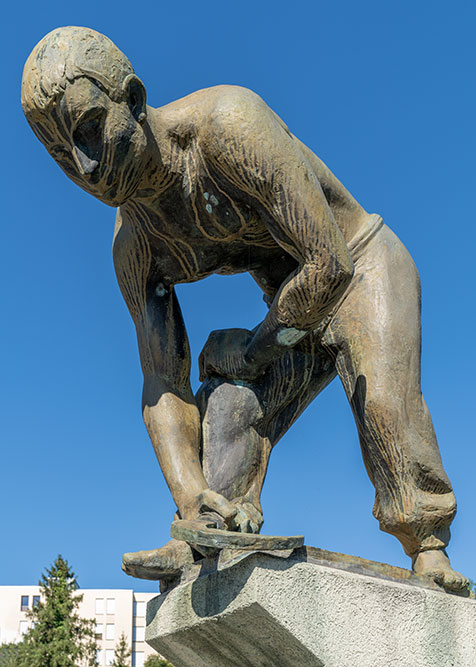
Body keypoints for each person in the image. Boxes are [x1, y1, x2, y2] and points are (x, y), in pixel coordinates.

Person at [22, 26, 467, 592]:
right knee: (229, 406)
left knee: (383, 402)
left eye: (90, 131)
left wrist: (254, 349)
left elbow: (329, 266)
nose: (86, 168)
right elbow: (162, 379)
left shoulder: (226, 126)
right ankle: (210, 532)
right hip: (291, 303)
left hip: (358, 265)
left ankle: (428, 548)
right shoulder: (135, 245)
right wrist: (189, 496)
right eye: (62, 156)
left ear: (131, 101)